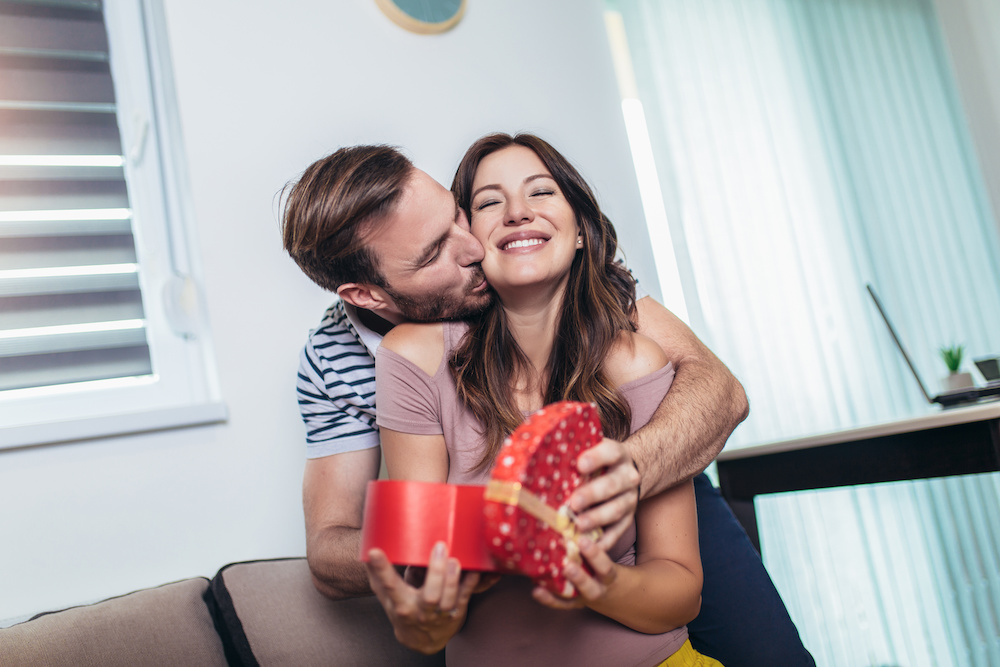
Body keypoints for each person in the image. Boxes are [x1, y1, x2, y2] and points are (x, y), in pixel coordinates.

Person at [281, 142, 815, 666]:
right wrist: (485, 535)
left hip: (647, 463)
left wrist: (626, 474)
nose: (471, 247)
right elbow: (330, 552)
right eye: (434, 251)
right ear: (367, 295)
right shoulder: (340, 360)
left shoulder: (550, 273)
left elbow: (719, 390)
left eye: (457, 215)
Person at [372, 132, 717, 666]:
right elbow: (421, 585)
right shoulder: (414, 358)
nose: (517, 212)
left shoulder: (637, 362)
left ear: (580, 230)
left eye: (542, 192)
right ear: (467, 240)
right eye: (489, 202)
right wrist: (429, 615)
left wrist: (591, 581)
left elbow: (680, 591)